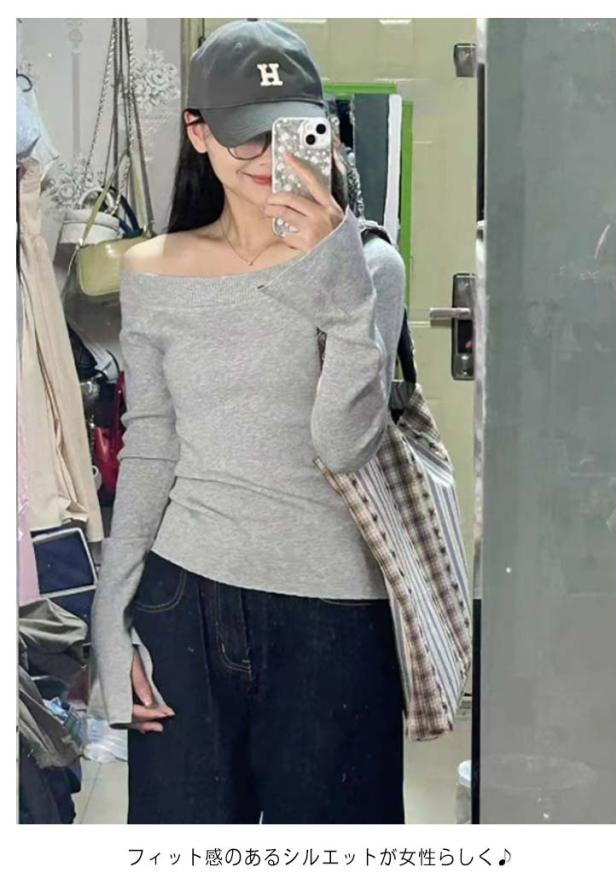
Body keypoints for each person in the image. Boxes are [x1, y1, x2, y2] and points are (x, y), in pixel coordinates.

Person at [90, 18, 407, 824]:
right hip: (182, 597)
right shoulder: (151, 270)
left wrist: (335, 274)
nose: (271, 159)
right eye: (247, 137)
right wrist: (110, 616)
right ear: (198, 133)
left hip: (333, 609)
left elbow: (343, 445)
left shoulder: (369, 262)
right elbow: (151, 445)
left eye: (293, 133)